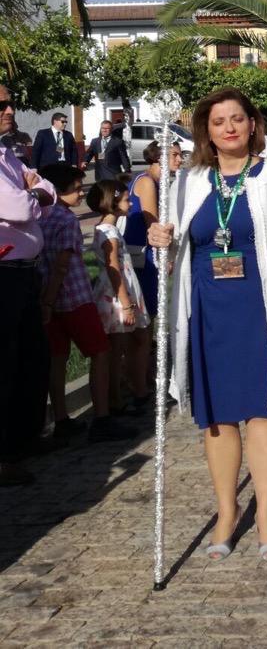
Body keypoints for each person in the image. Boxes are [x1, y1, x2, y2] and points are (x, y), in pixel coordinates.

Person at [148, 88, 267, 561]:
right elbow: (171, 254)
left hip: (261, 308)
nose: (229, 128)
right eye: (219, 121)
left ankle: (265, 511)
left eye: (237, 119)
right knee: (218, 415)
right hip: (208, 310)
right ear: (206, 131)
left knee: (264, 409)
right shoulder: (186, 182)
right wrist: (159, 239)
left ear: (252, 124)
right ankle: (227, 510)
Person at [37, 164, 137, 444]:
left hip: (47, 296)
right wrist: (50, 300)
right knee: (100, 352)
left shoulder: (39, 215)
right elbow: (62, 264)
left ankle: (61, 418)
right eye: (77, 188)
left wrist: (46, 301)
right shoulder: (66, 219)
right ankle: (102, 417)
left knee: (57, 359)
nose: (81, 193)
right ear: (58, 190)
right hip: (74, 296)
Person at [0, 89, 56, 486]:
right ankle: (4, 453)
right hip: (3, 273)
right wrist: (34, 193)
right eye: (0, 105)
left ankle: (24, 438)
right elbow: (21, 207)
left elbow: (47, 193)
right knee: (5, 363)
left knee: (31, 358)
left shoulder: (8, 155)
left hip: (25, 271)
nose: (10, 109)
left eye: (10, 102)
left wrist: (34, 192)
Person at [87, 179, 152, 414]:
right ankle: (117, 399)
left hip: (117, 290)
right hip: (116, 294)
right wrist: (126, 304)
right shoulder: (109, 232)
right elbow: (113, 266)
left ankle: (125, 393)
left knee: (122, 345)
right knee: (118, 348)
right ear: (112, 202)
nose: (131, 203)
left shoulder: (107, 229)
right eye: (126, 199)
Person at [125, 140, 183, 328]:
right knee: (147, 306)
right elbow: (153, 224)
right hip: (144, 252)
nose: (180, 159)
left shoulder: (158, 181)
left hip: (147, 250)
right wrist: (166, 256)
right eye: (174, 155)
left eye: (180, 155)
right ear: (159, 157)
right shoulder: (147, 181)